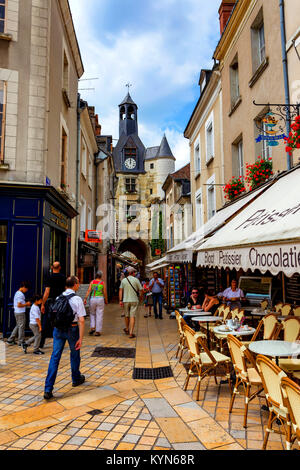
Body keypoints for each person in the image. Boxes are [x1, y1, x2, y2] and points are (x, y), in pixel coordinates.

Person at [44, 276, 86, 400]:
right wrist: (81, 338)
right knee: (74, 353)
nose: (79, 284)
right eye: (78, 282)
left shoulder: (58, 297)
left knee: (55, 357)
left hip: (58, 330)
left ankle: (48, 389)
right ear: (75, 285)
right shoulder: (77, 299)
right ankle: (75, 378)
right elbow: (82, 320)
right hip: (72, 329)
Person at [40, 262, 66, 348]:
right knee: (61, 321)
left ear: (52, 267)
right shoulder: (63, 278)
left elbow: (47, 292)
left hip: (51, 302)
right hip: (61, 302)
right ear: (60, 268)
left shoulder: (49, 278)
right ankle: (60, 342)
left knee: (46, 321)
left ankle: (41, 342)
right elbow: (66, 290)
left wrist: (43, 304)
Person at [119, 267, 143, 339]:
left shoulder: (123, 280)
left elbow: (120, 290)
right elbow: (141, 290)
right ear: (132, 273)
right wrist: (141, 297)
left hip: (126, 300)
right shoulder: (136, 280)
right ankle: (131, 332)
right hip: (134, 300)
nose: (135, 273)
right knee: (132, 316)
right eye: (134, 272)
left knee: (127, 315)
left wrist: (120, 300)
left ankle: (127, 328)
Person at [84, 271, 108, 337]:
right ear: (101, 276)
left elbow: (89, 290)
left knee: (92, 313)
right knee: (99, 314)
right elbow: (105, 293)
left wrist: (85, 298)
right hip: (100, 299)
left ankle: (92, 327)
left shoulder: (92, 282)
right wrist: (106, 300)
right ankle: (98, 331)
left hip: (93, 299)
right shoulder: (102, 283)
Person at [7, 281, 31, 346]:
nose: (26, 290)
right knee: (21, 326)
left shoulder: (17, 293)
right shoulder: (20, 294)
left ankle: (10, 339)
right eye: (26, 289)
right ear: (23, 287)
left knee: (18, 325)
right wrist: (27, 304)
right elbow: (19, 305)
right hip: (20, 312)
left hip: (17, 312)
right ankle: (21, 341)